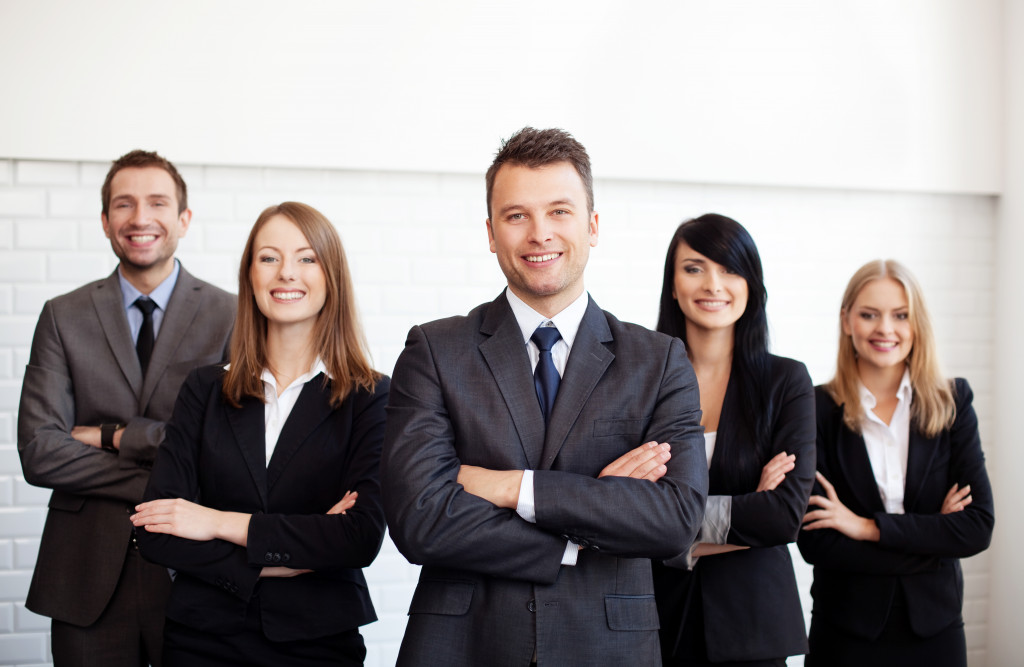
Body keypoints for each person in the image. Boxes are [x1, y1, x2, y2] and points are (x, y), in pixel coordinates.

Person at [382, 126, 708, 666]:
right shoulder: (435, 351)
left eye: (559, 211)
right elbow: (420, 520)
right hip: (464, 647)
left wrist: (512, 487)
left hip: (607, 648)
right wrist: (586, 527)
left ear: (593, 225)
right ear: (491, 232)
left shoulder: (659, 360)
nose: (540, 234)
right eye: (517, 216)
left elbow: (674, 519)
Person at [130, 202, 388, 667]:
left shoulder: (371, 395)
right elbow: (157, 532)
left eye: (307, 258)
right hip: (201, 642)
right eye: (269, 257)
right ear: (250, 275)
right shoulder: (205, 390)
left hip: (318, 644)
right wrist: (291, 556)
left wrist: (213, 521)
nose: (287, 272)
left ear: (332, 276)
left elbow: (358, 536)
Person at [17, 150, 235, 667]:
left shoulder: (232, 315)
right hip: (83, 579)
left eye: (157, 202)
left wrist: (114, 436)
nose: (140, 218)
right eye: (124, 204)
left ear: (184, 219)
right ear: (104, 221)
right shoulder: (62, 316)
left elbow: (226, 448)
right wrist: (168, 480)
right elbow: (40, 452)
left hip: (195, 577)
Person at [798, 259, 994, 666]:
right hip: (845, 631)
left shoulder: (953, 402)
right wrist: (934, 537)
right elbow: (817, 542)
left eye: (900, 315)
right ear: (847, 320)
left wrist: (865, 527)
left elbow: (976, 528)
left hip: (936, 629)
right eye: (869, 314)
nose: (885, 329)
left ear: (916, 323)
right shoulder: (814, 407)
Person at [651, 214, 815, 666]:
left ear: (751, 284)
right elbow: (622, 510)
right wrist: (745, 512)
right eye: (694, 267)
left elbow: (784, 516)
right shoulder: (640, 382)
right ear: (672, 284)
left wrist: (675, 533)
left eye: (729, 269)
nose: (713, 284)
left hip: (753, 626)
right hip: (656, 620)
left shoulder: (786, 381)